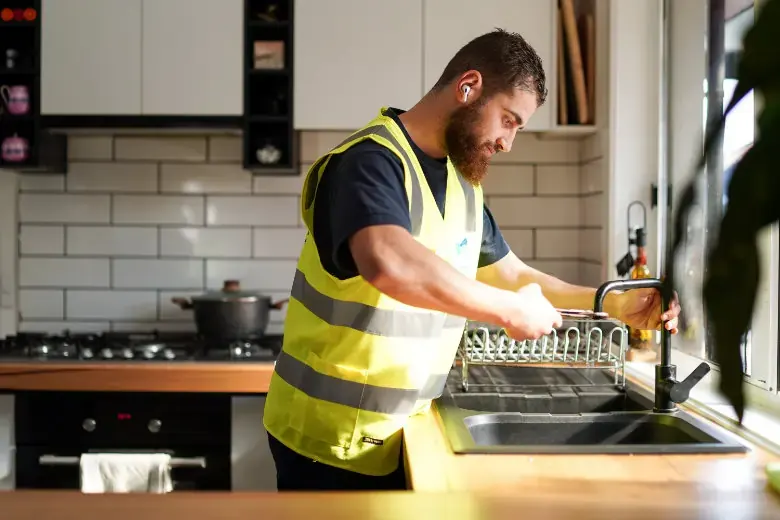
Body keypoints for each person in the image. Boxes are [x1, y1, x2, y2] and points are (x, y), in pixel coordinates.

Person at [263, 28, 681, 491]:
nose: (508, 142)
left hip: (400, 432)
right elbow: (388, 261)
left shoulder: (462, 183)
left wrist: (612, 303)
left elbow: (511, 274)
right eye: (509, 120)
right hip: (328, 442)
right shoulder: (368, 162)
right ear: (468, 87)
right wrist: (507, 310)